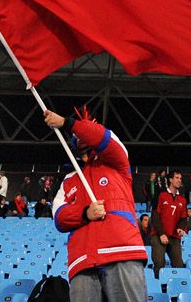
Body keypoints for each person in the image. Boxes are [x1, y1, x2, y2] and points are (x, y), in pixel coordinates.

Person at [46, 107, 146, 302]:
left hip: (121, 251)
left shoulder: (117, 163)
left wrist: (68, 123)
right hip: (82, 261)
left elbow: (105, 138)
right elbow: (59, 217)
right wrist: (85, 213)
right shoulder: (68, 180)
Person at [151, 170, 187, 278]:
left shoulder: (182, 199)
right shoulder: (161, 195)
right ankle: (158, 287)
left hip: (174, 237)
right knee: (159, 264)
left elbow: (183, 218)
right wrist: (161, 233)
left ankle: (177, 290)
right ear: (170, 180)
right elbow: (155, 216)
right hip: (159, 235)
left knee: (179, 266)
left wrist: (181, 228)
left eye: (180, 178)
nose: (179, 180)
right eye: (177, 178)